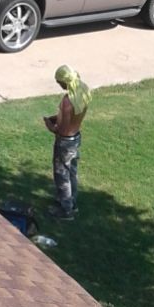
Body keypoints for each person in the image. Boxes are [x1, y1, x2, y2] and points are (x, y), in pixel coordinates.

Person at [44, 65, 91, 219]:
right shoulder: (82, 91)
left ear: (65, 82)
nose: (59, 85)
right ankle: (72, 203)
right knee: (72, 172)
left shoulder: (67, 101)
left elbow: (62, 130)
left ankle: (65, 211)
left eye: (59, 83)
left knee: (62, 175)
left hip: (65, 142)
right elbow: (70, 119)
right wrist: (57, 118)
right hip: (76, 138)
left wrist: (51, 127)